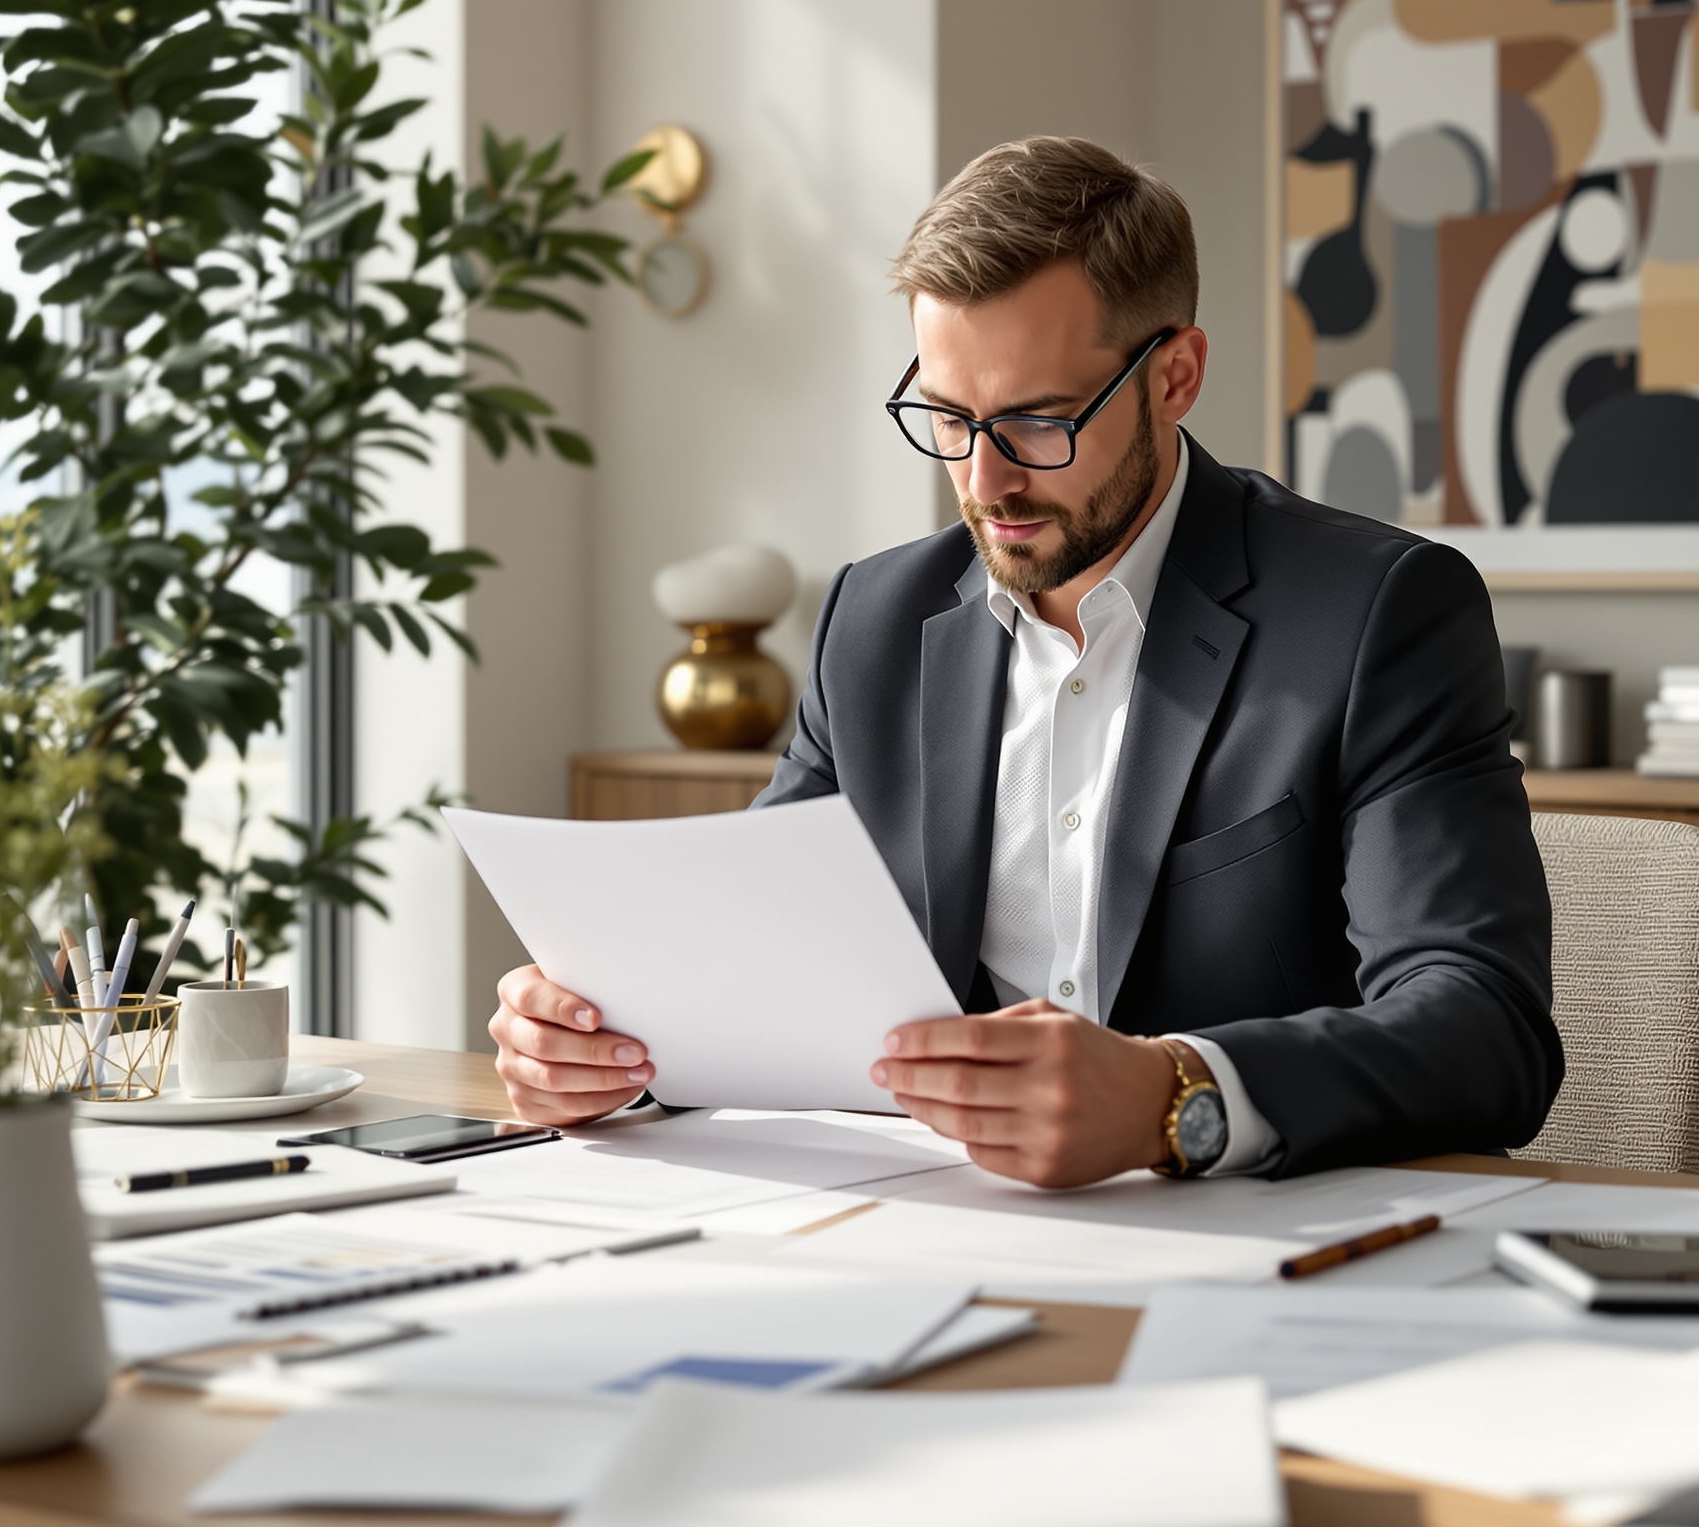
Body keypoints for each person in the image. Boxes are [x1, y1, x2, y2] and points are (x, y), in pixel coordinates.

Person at [492, 136, 1560, 1184]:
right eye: (948, 418)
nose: (985, 479)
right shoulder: (871, 619)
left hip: (1261, 1251)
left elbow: (1483, 1030)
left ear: (1175, 376)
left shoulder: (1374, 613)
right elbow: (762, 971)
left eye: (1039, 422)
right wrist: (610, 1054)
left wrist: (1169, 1098)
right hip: (929, 1228)